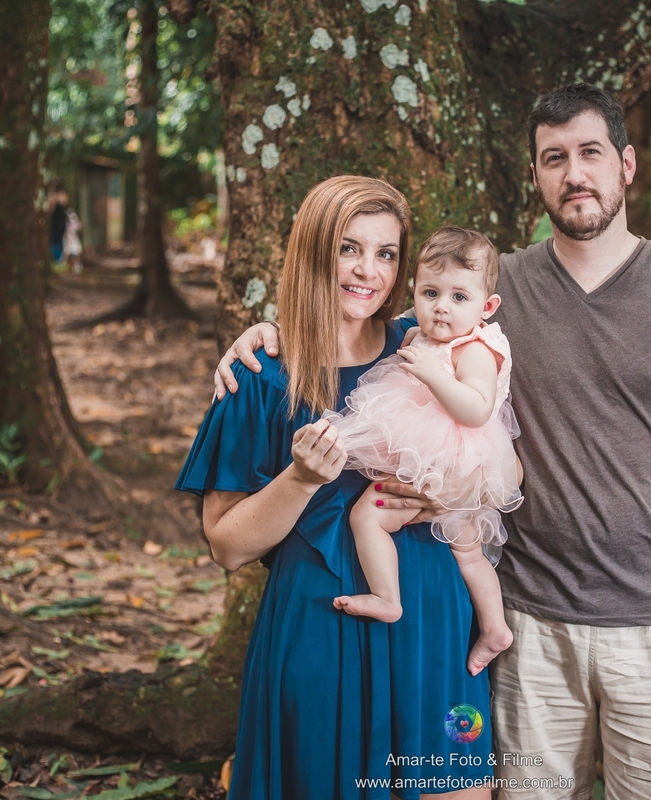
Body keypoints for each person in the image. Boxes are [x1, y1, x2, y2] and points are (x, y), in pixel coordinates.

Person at [216, 84, 651, 800]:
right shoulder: (489, 287)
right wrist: (267, 333)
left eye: (591, 153)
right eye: (554, 158)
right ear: (535, 174)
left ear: (627, 164)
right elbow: (366, 326)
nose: (575, 173)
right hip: (527, 621)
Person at [176, 176, 493, 799]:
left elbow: (500, 450)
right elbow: (227, 546)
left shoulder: (428, 346)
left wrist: (454, 488)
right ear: (313, 250)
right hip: (324, 623)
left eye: (386, 253)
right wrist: (299, 479)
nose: (368, 271)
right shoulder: (261, 375)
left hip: (433, 617)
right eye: (349, 248)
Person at [327, 226, 520, 677]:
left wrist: (434, 374)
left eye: (458, 297)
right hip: (436, 455)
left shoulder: (475, 349)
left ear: (487, 307)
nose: (441, 307)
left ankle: (388, 598)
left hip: (455, 458)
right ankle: (495, 629)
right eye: (430, 293)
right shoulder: (417, 334)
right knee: (466, 552)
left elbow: (477, 410)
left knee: (368, 516)